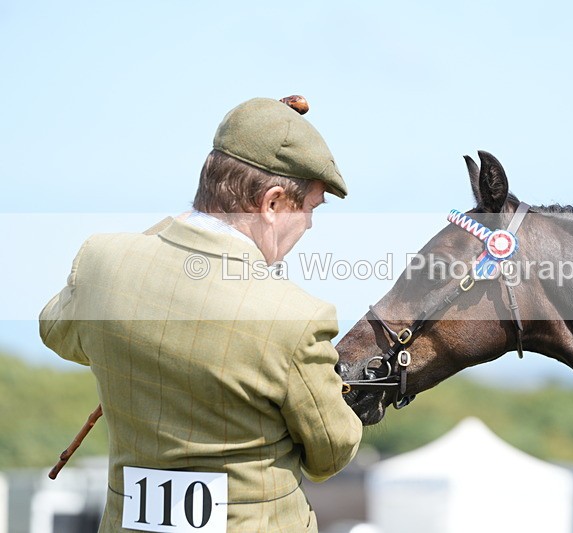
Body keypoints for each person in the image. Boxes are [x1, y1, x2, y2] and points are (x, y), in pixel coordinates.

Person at [39, 97, 363, 532]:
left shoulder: (103, 263)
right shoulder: (295, 318)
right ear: (271, 203)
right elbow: (331, 453)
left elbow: (55, 330)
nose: (308, 225)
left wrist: (175, 231)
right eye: (309, 208)